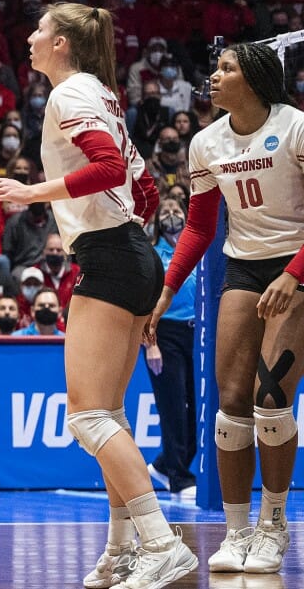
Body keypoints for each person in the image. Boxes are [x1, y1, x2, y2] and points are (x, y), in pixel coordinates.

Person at [0, 2, 195, 589]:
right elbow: (144, 188)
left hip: (109, 258)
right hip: (131, 255)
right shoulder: (104, 94)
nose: (29, 37)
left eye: (40, 29)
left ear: (64, 44)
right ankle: (123, 548)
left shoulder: (70, 95)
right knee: (112, 415)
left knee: (88, 415)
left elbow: (104, 167)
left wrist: (32, 191)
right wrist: (132, 236)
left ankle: (159, 542)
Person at [147, 42, 304, 575]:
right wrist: (168, 289)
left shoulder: (296, 126)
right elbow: (198, 226)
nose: (213, 77)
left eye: (226, 69)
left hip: (297, 264)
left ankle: (274, 524)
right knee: (230, 406)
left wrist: (292, 274)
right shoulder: (205, 143)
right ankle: (237, 533)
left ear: (256, 79)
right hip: (241, 266)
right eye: (215, 68)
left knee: (271, 399)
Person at [144, 196, 197, 501]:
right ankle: (178, 477)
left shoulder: (196, 252)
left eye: (177, 210)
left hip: (196, 335)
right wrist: (152, 345)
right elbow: (146, 305)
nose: (171, 215)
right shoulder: (154, 255)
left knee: (197, 407)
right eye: (165, 212)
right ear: (157, 221)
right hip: (164, 335)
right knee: (173, 407)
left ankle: (165, 465)